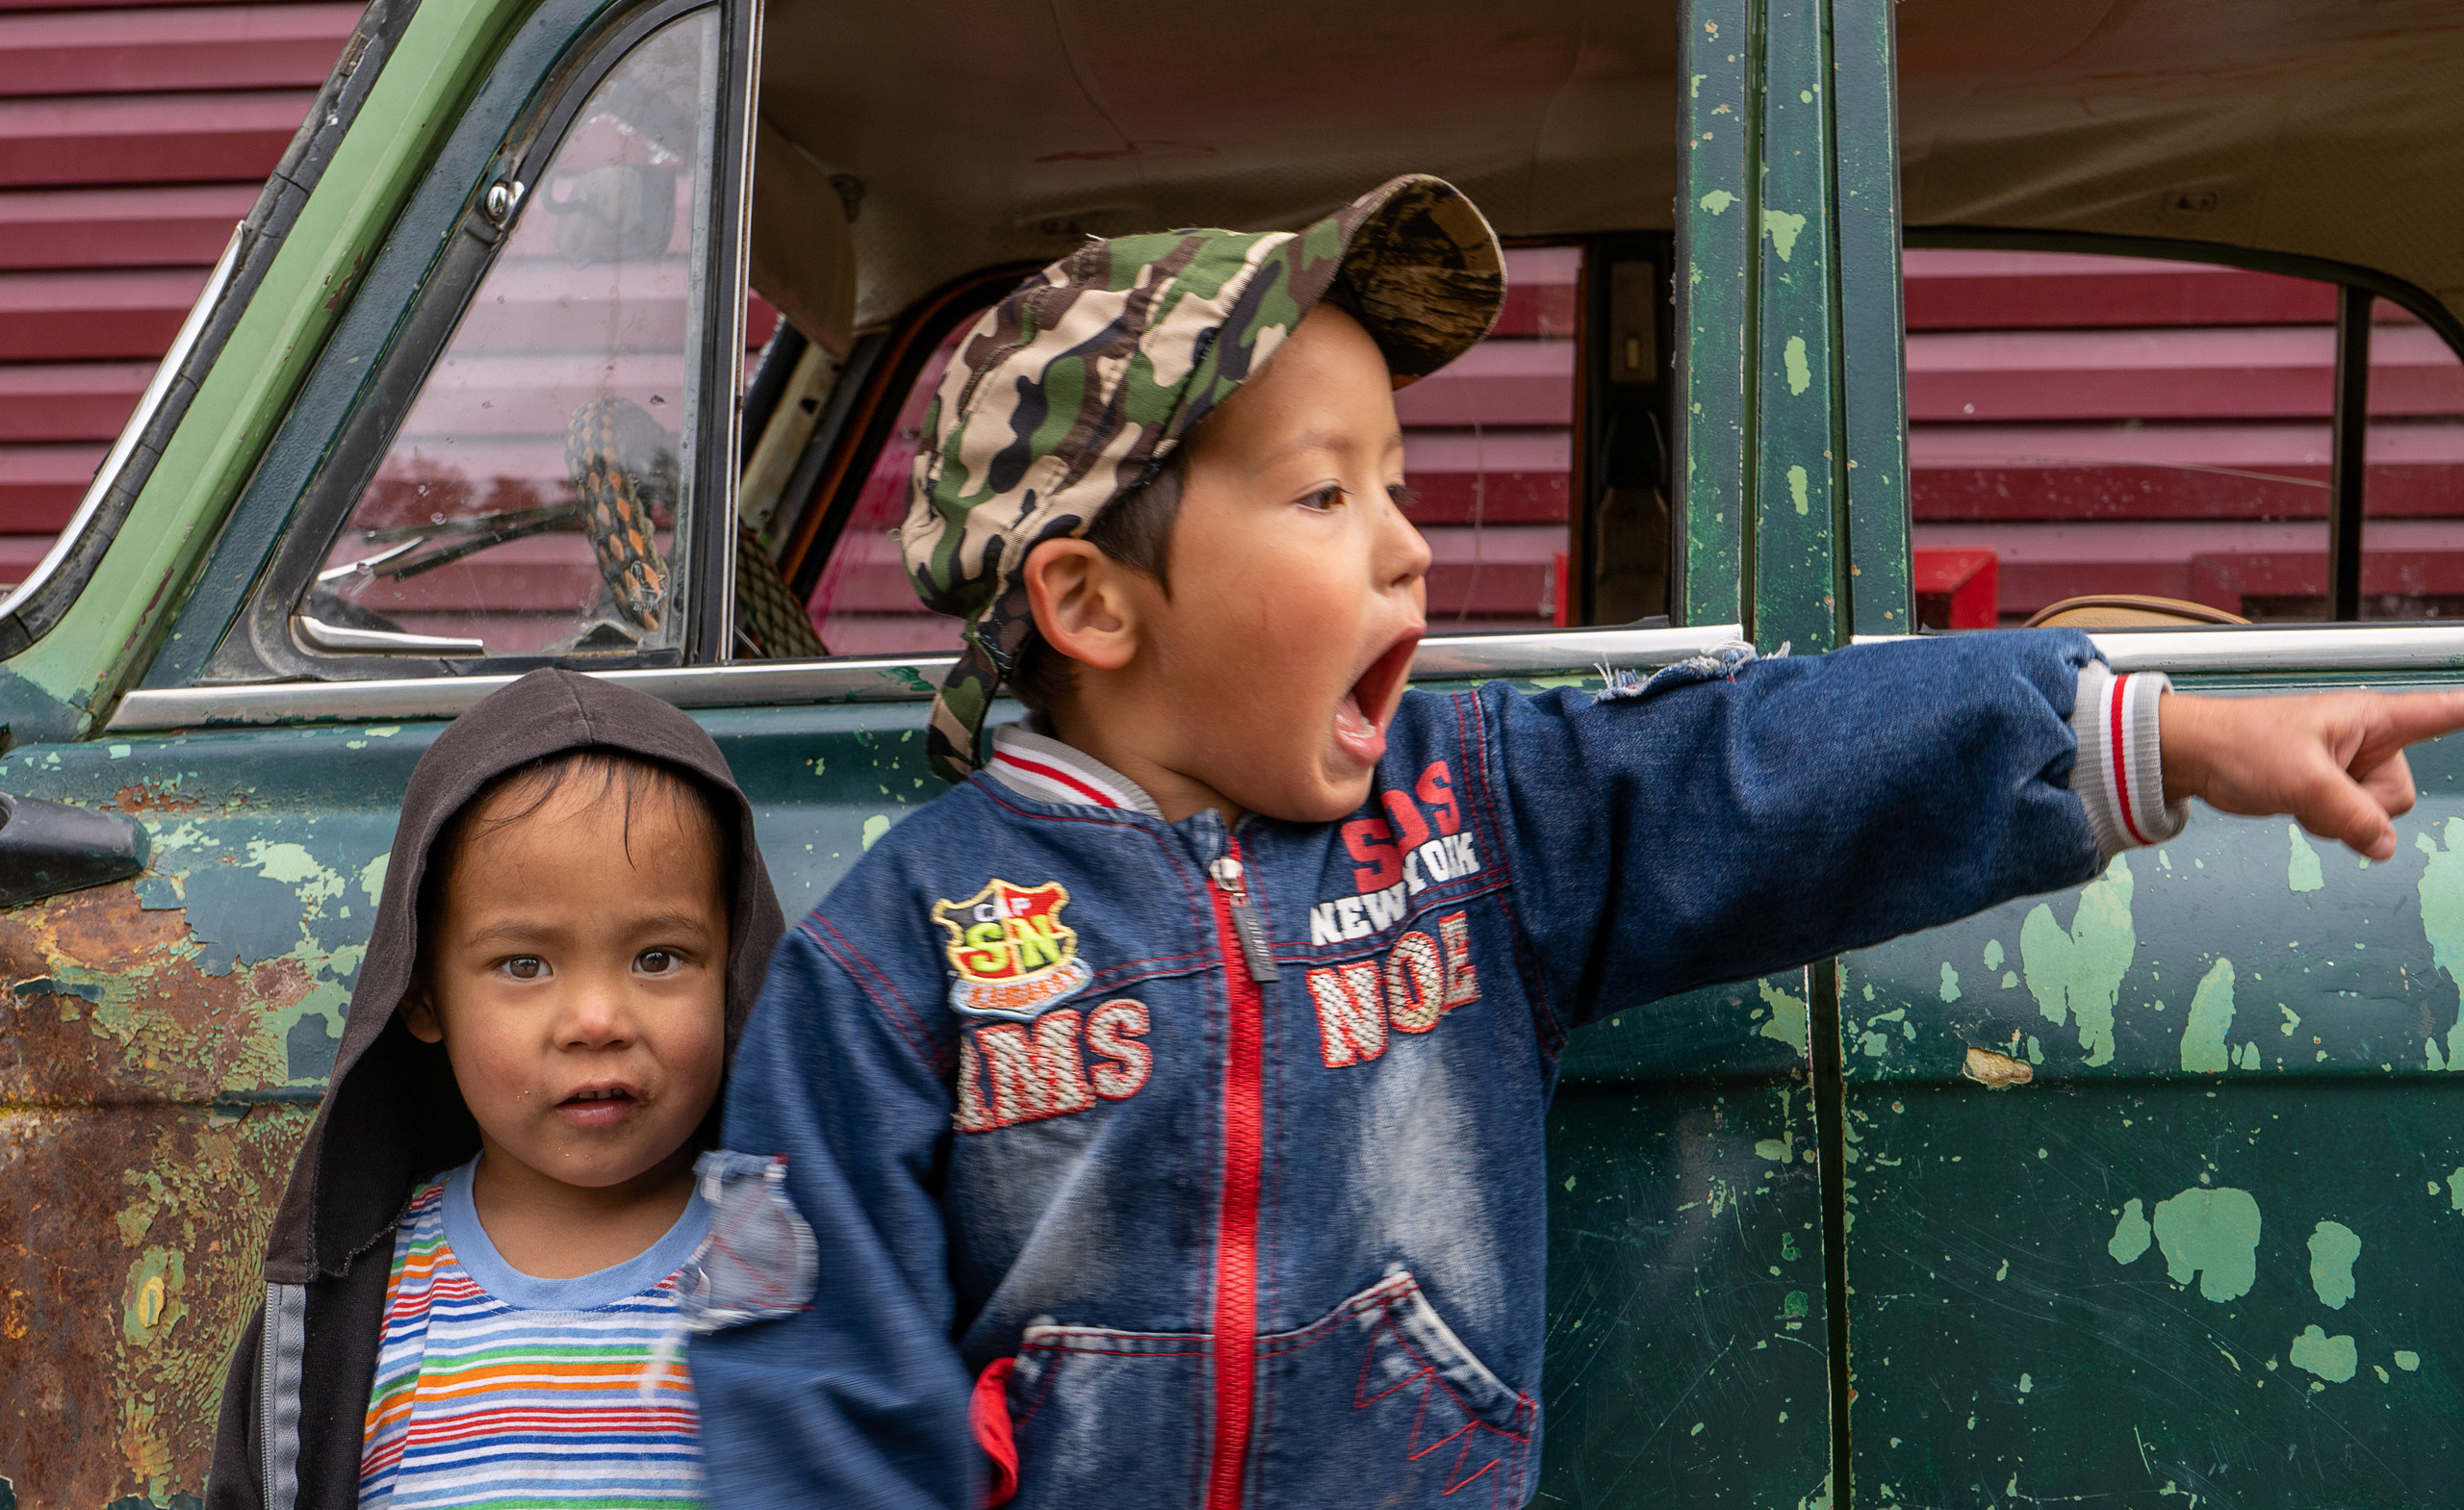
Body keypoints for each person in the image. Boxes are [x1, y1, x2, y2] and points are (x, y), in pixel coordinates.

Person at [686, 174, 2464, 1509]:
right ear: (1087, 599)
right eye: (1324, 495)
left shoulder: (1465, 823)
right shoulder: (901, 948)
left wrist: (2168, 731)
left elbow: (1759, 772)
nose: (1406, 550)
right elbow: (809, 1379)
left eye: (1396, 481)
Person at [206, 669, 788, 1510]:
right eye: (525, 965)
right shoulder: (362, 1311)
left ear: (732, 973)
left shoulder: (787, 1260)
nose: (596, 1020)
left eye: (658, 957)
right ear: (422, 994)